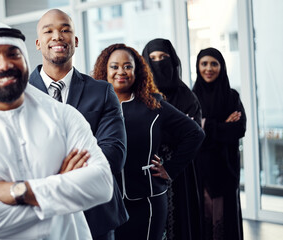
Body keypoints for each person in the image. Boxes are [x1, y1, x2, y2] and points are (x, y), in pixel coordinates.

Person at [0, 22, 114, 240]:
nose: (5, 64)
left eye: (13, 54)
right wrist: (59, 194)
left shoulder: (64, 116)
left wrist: (20, 191)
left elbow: (102, 184)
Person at [29, 9, 128, 240]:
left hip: (96, 215)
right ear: (38, 43)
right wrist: (69, 170)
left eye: (65, 30)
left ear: (75, 40)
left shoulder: (102, 91)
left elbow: (114, 154)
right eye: (49, 31)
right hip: (39, 217)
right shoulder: (21, 94)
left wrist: (55, 174)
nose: (57, 36)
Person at [92, 43, 205, 240]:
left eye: (128, 66)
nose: (121, 72)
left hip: (147, 202)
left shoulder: (153, 104)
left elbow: (195, 133)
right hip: (106, 200)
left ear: (137, 71)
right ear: (105, 70)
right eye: (114, 66)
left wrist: (169, 168)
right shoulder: (94, 105)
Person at [142, 38, 203, 240]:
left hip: (181, 171)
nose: (158, 63)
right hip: (147, 172)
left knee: (182, 222)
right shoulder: (143, 97)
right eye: (152, 59)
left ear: (173, 61)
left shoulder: (187, 97)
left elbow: (192, 136)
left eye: (163, 58)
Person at [192, 47, 246, 240]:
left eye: (214, 63)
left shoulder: (232, 96)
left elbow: (239, 129)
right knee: (204, 217)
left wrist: (206, 125)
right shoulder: (192, 97)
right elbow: (192, 133)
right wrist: (222, 126)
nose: (209, 68)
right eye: (204, 63)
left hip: (226, 167)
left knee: (226, 218)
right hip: (200, 169)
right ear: (197, 67)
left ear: (221, 67)